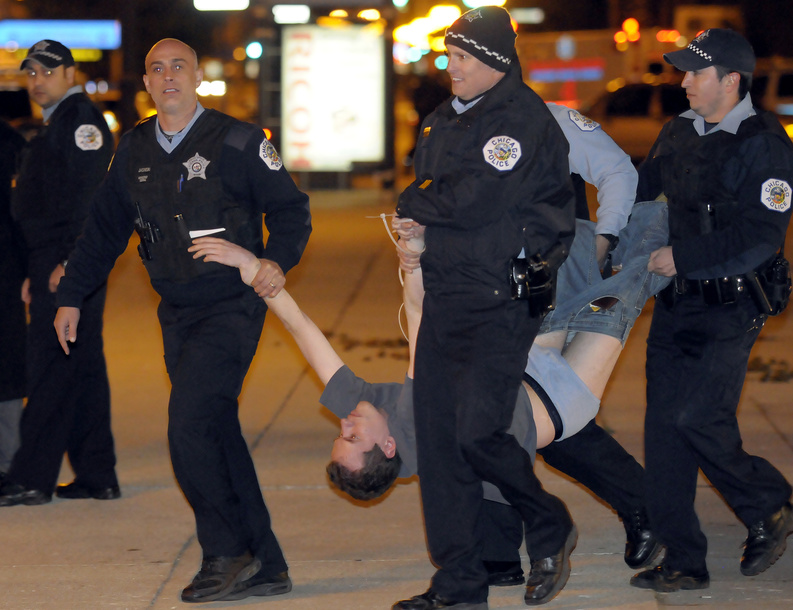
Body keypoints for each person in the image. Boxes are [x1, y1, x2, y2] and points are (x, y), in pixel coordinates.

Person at [53, 39, 312, 604]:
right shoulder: (134, 148)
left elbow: (291, 210)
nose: (168, 76)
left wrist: (275, 260)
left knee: (189, 425)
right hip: (175, 310)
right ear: (145, 81)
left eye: (179, 67)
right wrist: (71, 295)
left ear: (198, 76)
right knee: (216, 432)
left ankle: (225, 552)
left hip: (231, 308)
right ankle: (268, 563)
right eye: (156, 68)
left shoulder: (241, 142)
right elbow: (102, 233)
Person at [393, 7, 578, 608]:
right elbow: (440, 199)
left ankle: (548, 522)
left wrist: (414, 200)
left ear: (496, 61)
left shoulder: (519, 120)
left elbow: (471, 201)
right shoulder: (442, 120)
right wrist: (418, 223)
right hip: (449, 294)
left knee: (478, 435)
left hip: (501, 299)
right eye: (450, 56)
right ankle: (459, 584)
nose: (453, 68)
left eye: (464, 58)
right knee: (441, 443)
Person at [630, 28, 793, 593]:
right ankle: (683, 559)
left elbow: (762, 234)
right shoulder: (676, 132)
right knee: (664, 432)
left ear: (730, 80)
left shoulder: (765, 143)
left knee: (698, 418)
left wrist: (685, 255)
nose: (682, 82)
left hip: (731, 303)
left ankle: (769, 501)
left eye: (694, 73)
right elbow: (644, 198)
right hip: (678, 304)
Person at [0, 40, 119, 507]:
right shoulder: (60, 124)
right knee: (82, 366)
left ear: (71, 74)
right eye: (31, 73)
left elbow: (88, 201)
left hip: (69, 260)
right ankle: (96, 473)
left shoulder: (81, 124)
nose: (37, 81)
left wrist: (69, 264)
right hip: (53, 260)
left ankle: (31, 477)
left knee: (49, 366)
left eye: (47, 72)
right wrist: (39, 266)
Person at [0, 118, 26, 484]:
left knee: (5, 363)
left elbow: (23, 211)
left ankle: (9, 461)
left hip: (4, 268)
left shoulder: (9, 142)